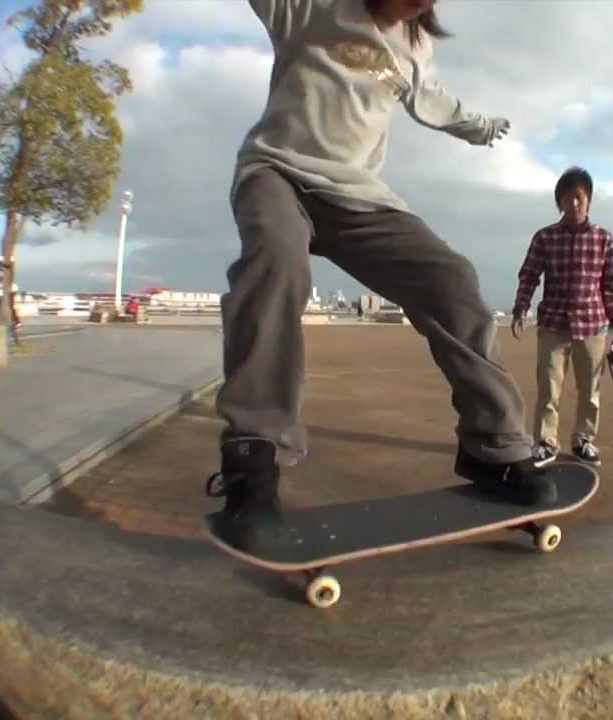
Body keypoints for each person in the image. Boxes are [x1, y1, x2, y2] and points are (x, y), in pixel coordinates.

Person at [205, 0, 560, 549]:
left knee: (452, 283)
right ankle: (254, 453)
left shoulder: (416, 46)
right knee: (276, 261)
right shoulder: (309, 8)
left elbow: (437, 102)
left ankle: (491, 446)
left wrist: (481, 126)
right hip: (276, 173)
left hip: (355, 198)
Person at [510, 166, 613, 468]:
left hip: (593, 327)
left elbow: (610, 286)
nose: (574, 204)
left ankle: (583, 441)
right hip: (553, 324)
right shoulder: (545, 237)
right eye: (567, 198)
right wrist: (520, 309)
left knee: (590, 391)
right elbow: (529, 275)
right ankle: (545, 443)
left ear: (589, 200)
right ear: (559, 202)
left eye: (579, 197)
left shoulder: (604, 239)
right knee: (548, 390)